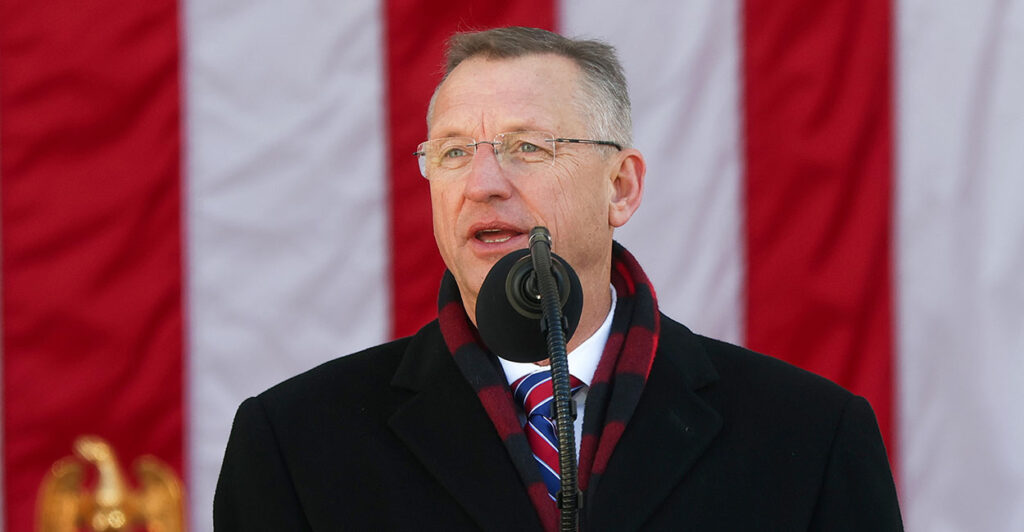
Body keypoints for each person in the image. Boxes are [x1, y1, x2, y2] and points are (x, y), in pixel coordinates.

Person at [214, 26, 902, 531]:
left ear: (622, 187)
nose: (482, 184)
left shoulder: (808, 436)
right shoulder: (295, 442)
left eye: (526, 147)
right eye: (453, 152)